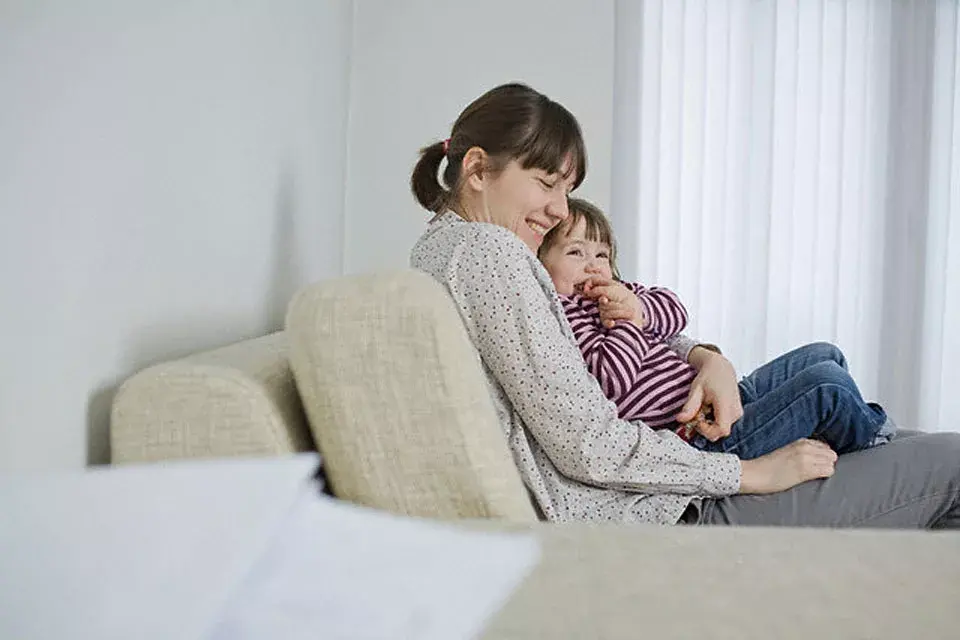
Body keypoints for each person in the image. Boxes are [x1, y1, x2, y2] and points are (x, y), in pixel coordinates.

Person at [409, 82, 960, 527]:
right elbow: (589, 443)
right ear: (478, 170)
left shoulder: (450, 249)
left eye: (566, 190)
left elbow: (597, 334)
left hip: (660, 475)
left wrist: (704, 357)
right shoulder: (489, 254)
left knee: (867, 406)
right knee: (947, 461)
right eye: (546, 184)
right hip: (654, 507)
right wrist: (748, 474)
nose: (558, 210)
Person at [536, 197, 895, 460]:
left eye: (601, 255)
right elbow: (612, 381)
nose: (594, 266)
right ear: (541, 265)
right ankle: (874, 435)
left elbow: (676, 312)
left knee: (824, 354)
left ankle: (839, 429)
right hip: (699, 437)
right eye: (575, 253)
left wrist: (639, 308)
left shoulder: (624, 295)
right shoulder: (568, 318)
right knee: (825, 385)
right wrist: (626, 323)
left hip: (721, 396)